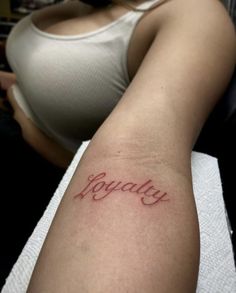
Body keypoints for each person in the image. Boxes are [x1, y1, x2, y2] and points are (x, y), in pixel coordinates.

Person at [0, 0, 235, 291]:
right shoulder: (78, 3)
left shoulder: (191, 15)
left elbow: (138, 156)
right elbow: (44, 83)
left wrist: (21, 119)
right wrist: (14, 89)